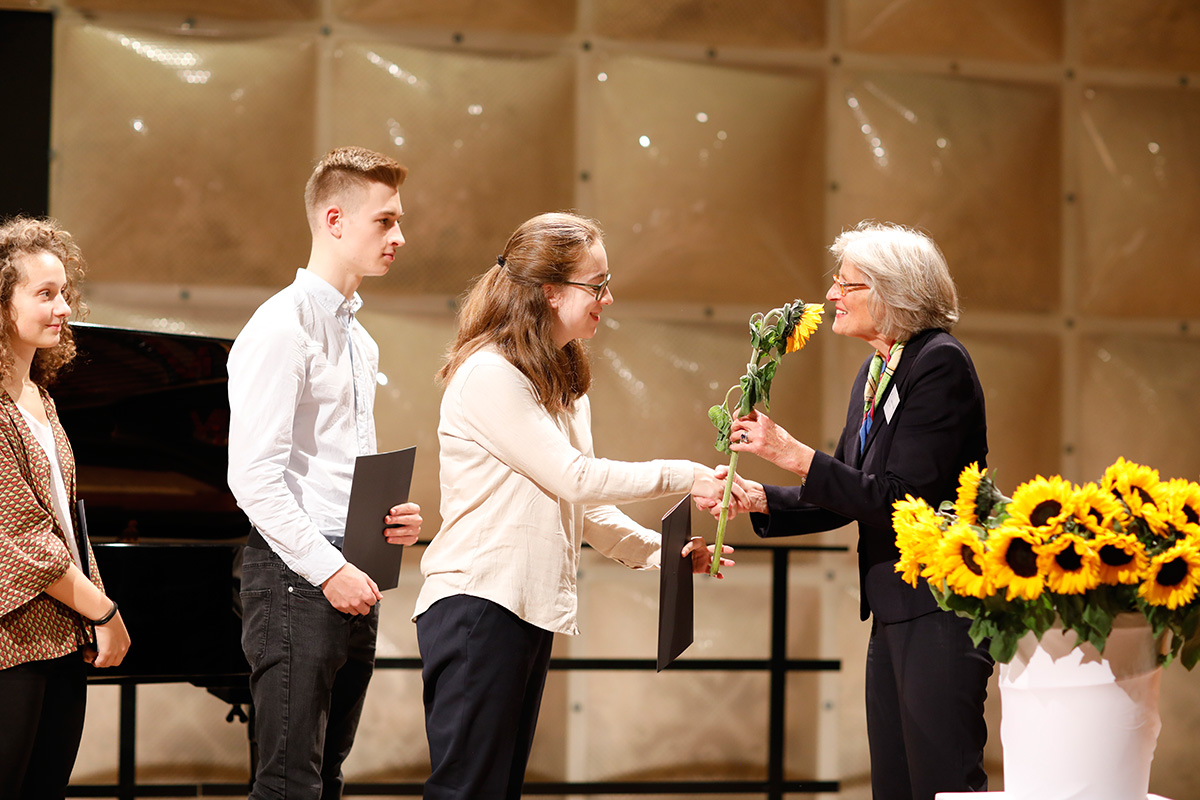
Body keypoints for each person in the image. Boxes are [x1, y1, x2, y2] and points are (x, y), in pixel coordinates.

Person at [414, 211, 737, 800]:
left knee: (498, 789)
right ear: (550, 291)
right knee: (467, 790)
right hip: (476, 604)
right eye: (598, 285)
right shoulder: (489, 373)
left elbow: (579, 506)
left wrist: (661, 554)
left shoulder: (557, 376)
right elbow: (576, 477)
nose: (608, 299)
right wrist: (688, 475)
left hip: (520, 609)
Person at [710, 221, 992, 799]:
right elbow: (849, 493)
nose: (831, 296)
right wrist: (761, 498)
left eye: (847, 284)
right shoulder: (876, 371)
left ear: (893, 293)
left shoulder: (939, 364)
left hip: (939, 606)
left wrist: (792, 455)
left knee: (942, 783)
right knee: (893, 785)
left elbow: (897, 500)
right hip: (894, 607)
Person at [227, 146, 423, 800]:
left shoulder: (359, 339)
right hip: (296, 574)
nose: (400, 237)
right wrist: (328, 568)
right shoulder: (282, 327)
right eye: (385, 221)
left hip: (350, 567)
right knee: (289, 786)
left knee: (327, 778)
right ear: (334, 219)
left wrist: (388, 519)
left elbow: (337, 466)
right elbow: (253, 478)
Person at [0, 216, 132, 799]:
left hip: (57, 631)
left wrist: (87, 614)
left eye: (65, 294)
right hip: (12, 639)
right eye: (45, 294)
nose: (63, 308)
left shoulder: (41, 400)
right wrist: (104, 611)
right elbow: (23, 536)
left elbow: (66, 525)